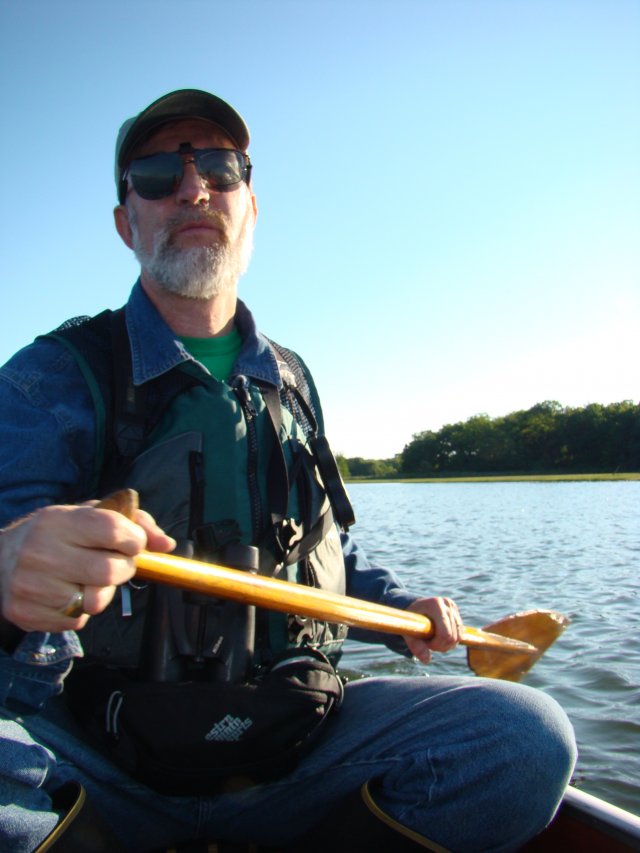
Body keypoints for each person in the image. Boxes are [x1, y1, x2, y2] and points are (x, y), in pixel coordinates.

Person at [0, 89, 576, 853]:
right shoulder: (49, 377)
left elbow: (319, 549)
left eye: (219, 166)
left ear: (251, 207)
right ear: (124, 221)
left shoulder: (294, 382)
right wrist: (9, 563)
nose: (193, 187)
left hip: (294, 750)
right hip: (103, 762)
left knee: (524, 737)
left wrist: (404, 609)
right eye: (153, 174)